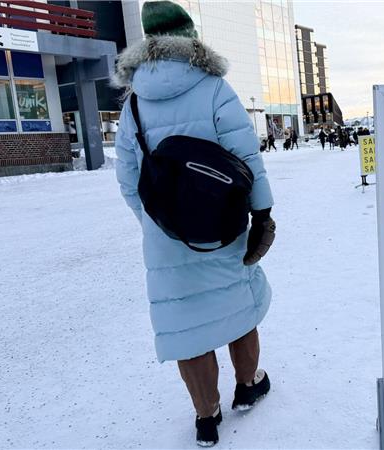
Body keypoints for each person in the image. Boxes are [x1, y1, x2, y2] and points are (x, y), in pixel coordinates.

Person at [112, 2, 275, 447]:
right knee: (236, 304)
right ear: (190, 37)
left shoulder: (136, 104)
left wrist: (156, 220)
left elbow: (127, 175)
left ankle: (207, 416)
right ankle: (247, 386)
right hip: (221, 225)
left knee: (185, 323)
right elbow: (247, 160)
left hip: (167, 236)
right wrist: (261, 215)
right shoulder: (215, 88)